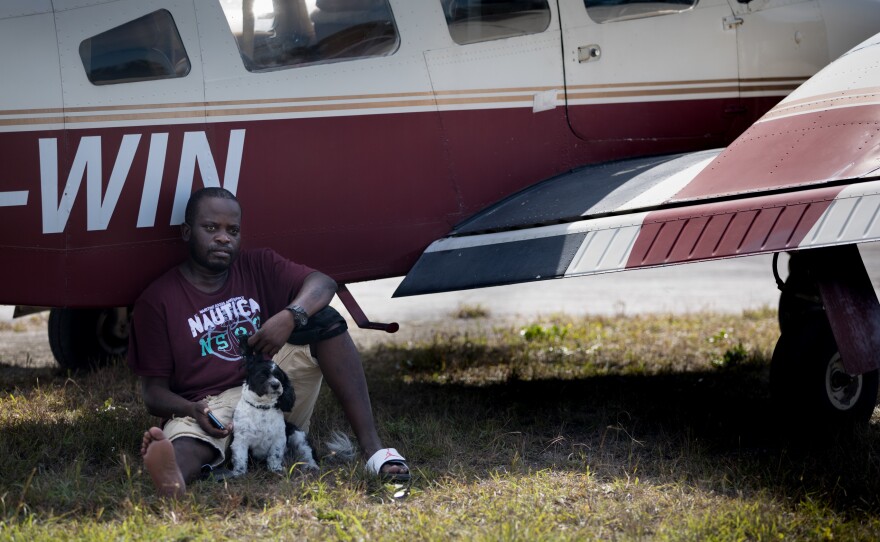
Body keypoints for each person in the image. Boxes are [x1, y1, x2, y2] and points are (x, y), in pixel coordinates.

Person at [129, 187, 408, 498]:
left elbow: (323, 283)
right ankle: (172, 476)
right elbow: (153, 394)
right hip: (210, 407)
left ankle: (373, 451)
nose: (223, 238)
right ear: (186, 232)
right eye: (211, 228)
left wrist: (290, 315)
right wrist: (191, 410)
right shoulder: (157, 301)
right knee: (187, 442)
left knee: (324, 319)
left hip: (273, 394)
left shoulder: (256, 265)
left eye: (232, 230)